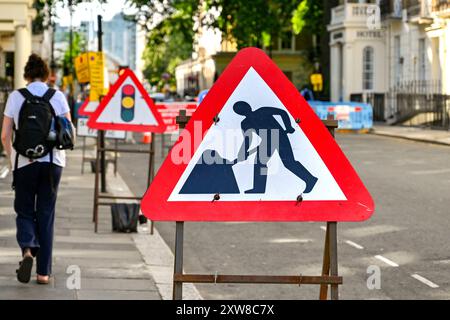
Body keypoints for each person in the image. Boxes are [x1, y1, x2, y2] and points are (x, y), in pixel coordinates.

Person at [1, 54, 71, 285]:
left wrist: (14, 160)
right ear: (46, 74)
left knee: (23, 210)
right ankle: (43, 273)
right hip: (52, 163)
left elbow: (4, 135)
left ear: (27, 76)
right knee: (46, 213)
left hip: (24, 163)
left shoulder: (16, 97)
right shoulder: (57, 96)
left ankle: (28, 250)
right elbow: (68, 132)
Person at [233, 101, 318, 194]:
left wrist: (288, 127)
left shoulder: (262, 111)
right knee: (259, 162)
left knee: (289, 163)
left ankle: (310, 179)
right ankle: (259, 188)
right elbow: (248, 139)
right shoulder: (245, 123)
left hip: (280, 136)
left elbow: (282, 112)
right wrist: (244, 152)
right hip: (267, 141)